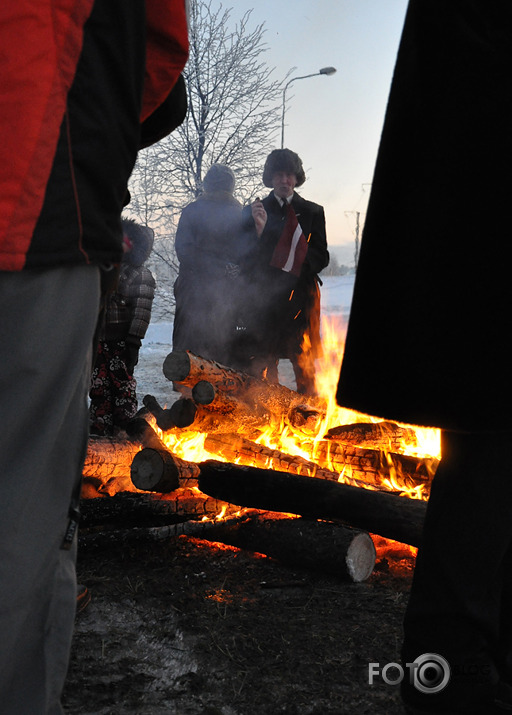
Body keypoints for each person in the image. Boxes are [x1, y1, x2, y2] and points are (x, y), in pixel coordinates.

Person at [0, 2, 188, 712]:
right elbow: (161, 52)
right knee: (22, 499)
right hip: (40, 203)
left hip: (45, 200)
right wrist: (98, 138)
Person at [335, 1, 512, 713]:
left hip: (477, 223)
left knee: (493, 448)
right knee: (491, 444)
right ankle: (452, 669)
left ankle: (470, 658)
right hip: (484, 225)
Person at [239, 149, 329, 394]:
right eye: (278, 175)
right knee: (264, 363)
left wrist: (295, 261)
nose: (284, 181)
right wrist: (259, 234)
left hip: (302, 297)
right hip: (265, 299)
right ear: (270, 178)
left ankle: (311, 414)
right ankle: (268, 416)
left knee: (305, 361)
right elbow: (244, 260)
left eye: (289, 175)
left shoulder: (312, 212)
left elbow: (321, 255)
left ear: (297, 177)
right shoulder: (254, 211)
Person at [89, 218, 156, 436]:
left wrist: (134, 340)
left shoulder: (140, 274)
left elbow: (142, 310)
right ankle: (99, 429)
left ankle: (124, 431)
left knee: (122, 387)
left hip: (122, 342)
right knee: (99, 387)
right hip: (99, 340)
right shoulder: (104, 270)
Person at [172, 163, 244, 365]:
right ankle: (218, 389)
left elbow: (183, 250)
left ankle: (187, 387)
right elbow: (245, 254)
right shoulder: (240, 213)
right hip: (224, 290)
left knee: (190, 346)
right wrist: (228, 270)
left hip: (195, 288)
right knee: (221, 348)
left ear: (207, 185)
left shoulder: (192, 211)